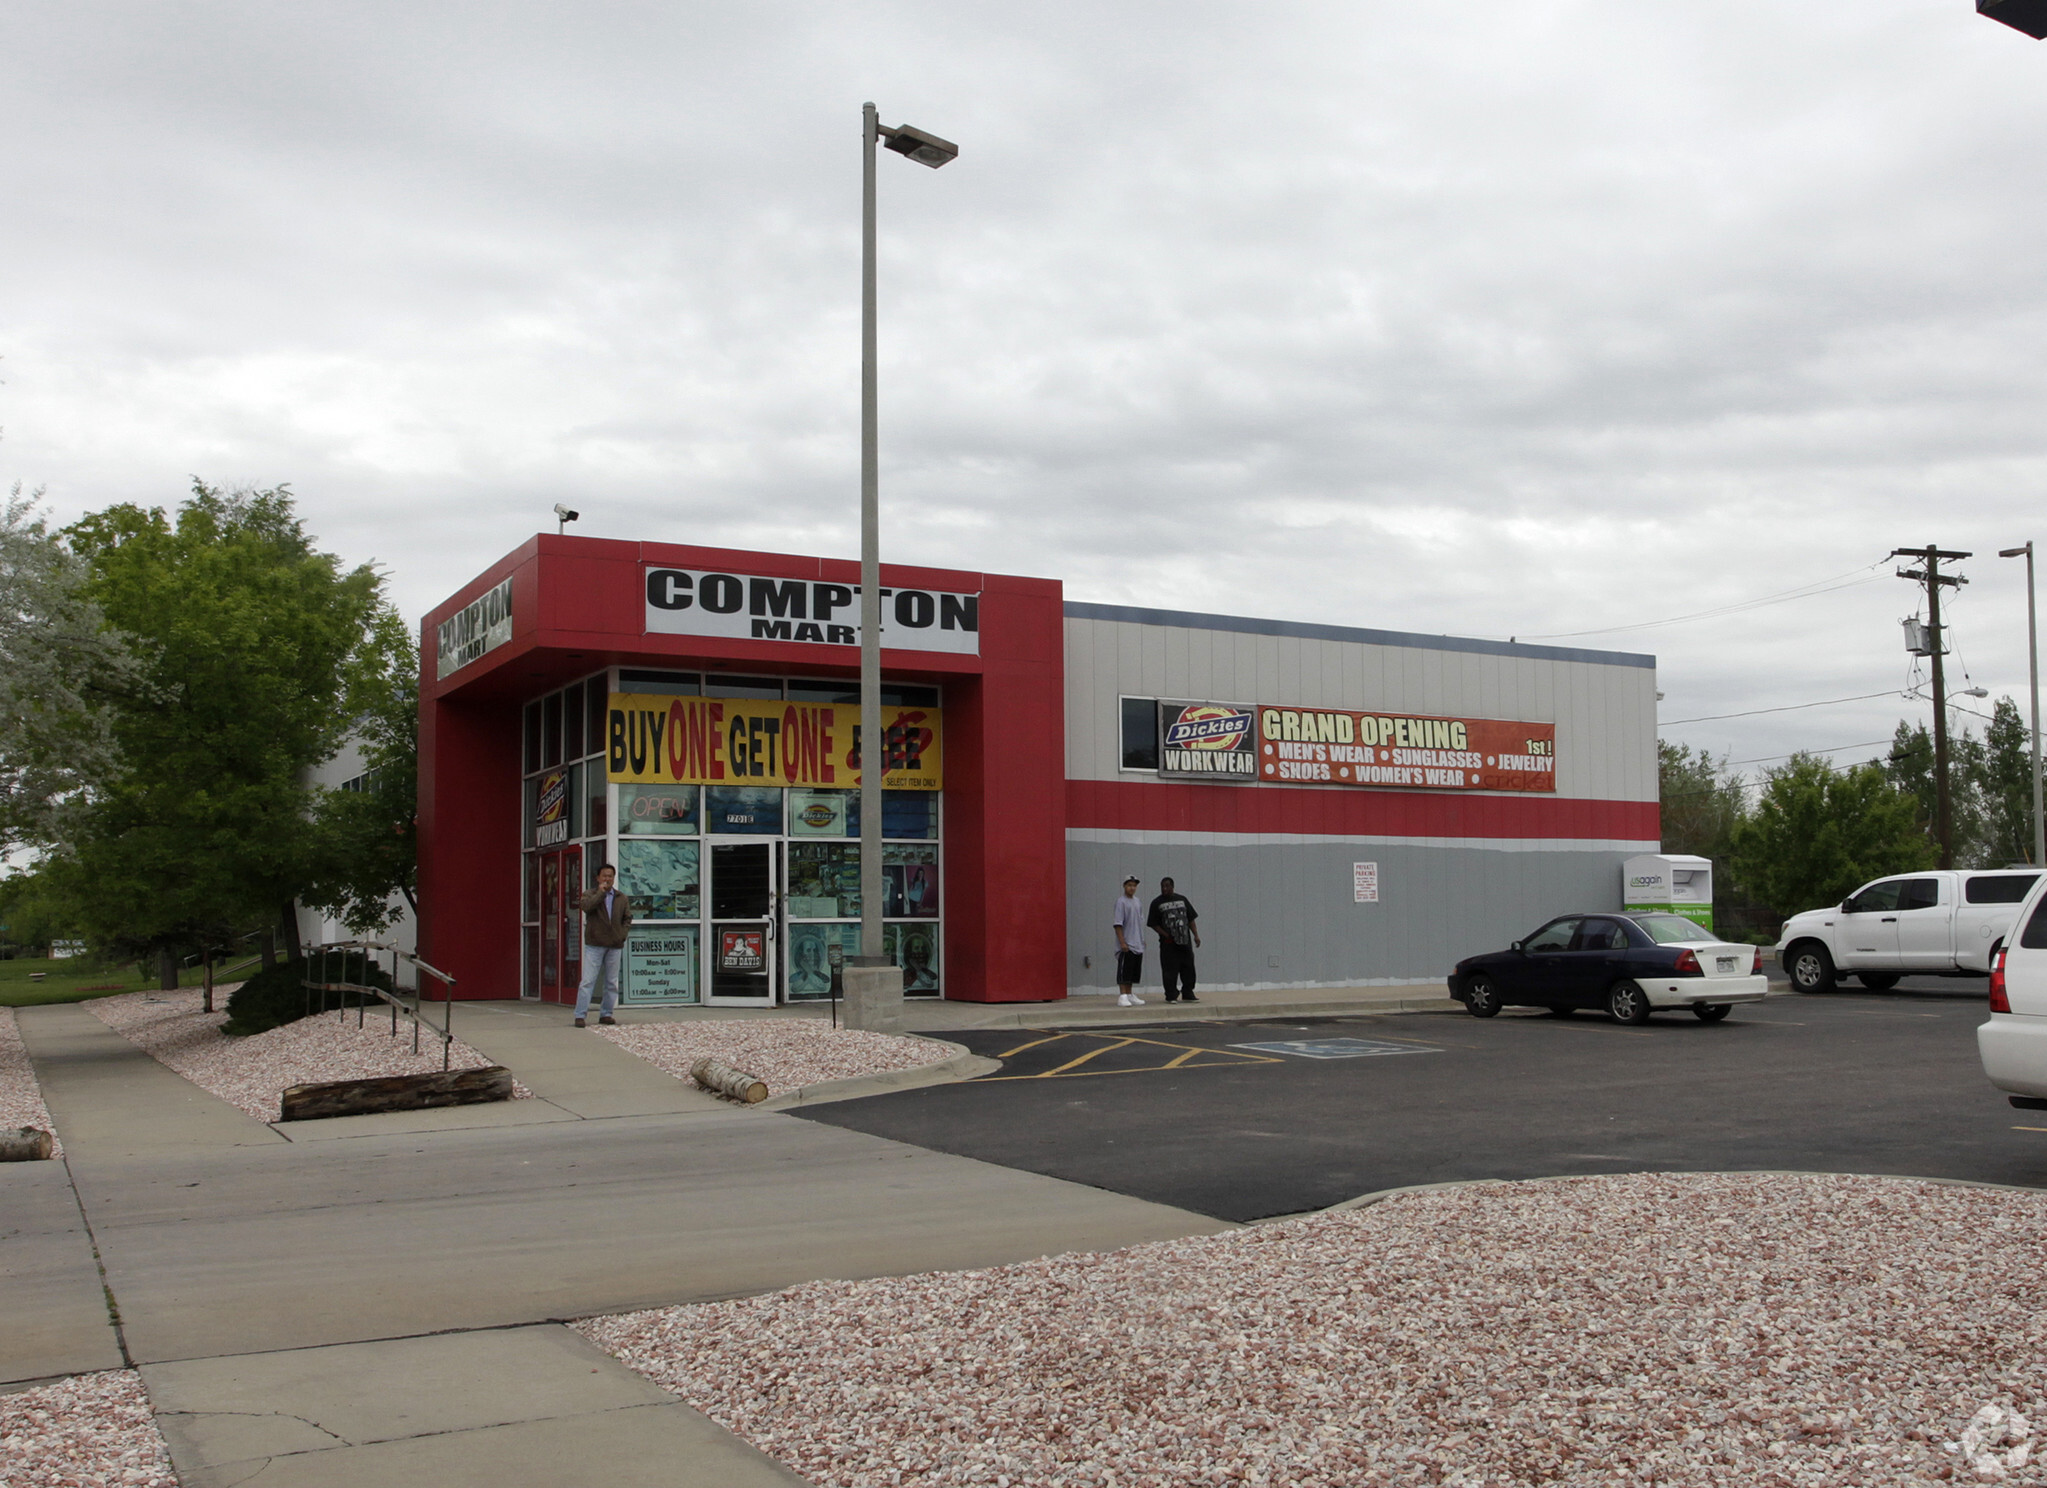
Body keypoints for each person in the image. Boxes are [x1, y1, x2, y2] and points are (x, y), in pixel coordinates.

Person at [575, 864, 633, 1027]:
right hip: (595, 944)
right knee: (588, 981)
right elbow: (586, 907)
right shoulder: (590, 894)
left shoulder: (621, 897)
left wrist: (622, 934)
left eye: (610, 876)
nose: (607, 879)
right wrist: (601, 893)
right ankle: (580, 1014)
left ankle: (606, 1013)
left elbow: (627, 918)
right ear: (598, 878)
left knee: (611, 982)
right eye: (604, 876)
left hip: (615, 944)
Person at [1147, 875, 1202, 1004]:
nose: (1164, 889)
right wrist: (1165, 935)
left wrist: (1196, 935)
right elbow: (1153, 924)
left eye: (1167, 886)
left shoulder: (1182, 900)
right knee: (1170, 970)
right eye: (1162, 886)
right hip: (1169, 944)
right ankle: (1171, 995)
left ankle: (1188, 993)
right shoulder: (1157, 903)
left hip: (1185, 941)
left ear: (1172, 886)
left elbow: (1191, 919)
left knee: (1188, 968)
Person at [1112, 874, 1147, 1007]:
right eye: (1129, 885)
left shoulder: (1137, 902)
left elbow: (1140, 921)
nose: (1132, 888)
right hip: (1127, 943)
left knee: (1133, 970)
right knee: (1124, 969)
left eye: (1134, 885)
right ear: (1124, 886)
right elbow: (1118, 924)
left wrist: (1142, 939)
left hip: (1137, 942)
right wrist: (1122, 942)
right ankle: (1123, 995)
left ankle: (1130, 994)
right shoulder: (1121, 902)